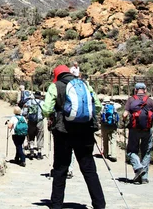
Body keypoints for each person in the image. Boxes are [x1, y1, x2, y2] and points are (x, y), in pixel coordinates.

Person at [43, 65, 105, 209]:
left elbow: (46, 109)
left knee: (60, 169)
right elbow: (98, 106)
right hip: (85, 132)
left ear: (57, 75)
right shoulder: (84, 84)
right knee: (89, 169)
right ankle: (99, 203)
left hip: (63, 133)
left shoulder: (55, 86)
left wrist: (54, 115)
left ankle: (57, 204)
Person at [122, 82, 153, 184]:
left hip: (134, 130)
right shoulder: (150, 101)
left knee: (131, 151)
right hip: (147, 130)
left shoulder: (131, 100)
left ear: (135, 90)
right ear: (145, 90)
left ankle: (138, 168)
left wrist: (124, 119)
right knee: (146, 152)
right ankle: (144, 177)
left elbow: (125, 114)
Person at [22, 92, 45, 159]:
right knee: (40, 136)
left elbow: (24, 112)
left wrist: (26, 117)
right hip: (39, 121)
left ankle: (31, 150)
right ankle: (39, 153)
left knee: (31, 135)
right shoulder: (42, 103)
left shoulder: (29, 102)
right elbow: (46, 111)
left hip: (31, 121)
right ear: (40, 96)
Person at [100, 98, 121, 162]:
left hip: (104, 125)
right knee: (113, 140)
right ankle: (113, 155)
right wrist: (112, 103)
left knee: (105, 140)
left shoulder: (102, 107)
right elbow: (119, 105)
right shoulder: (114, 106)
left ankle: (105, 153)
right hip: (113, 126)